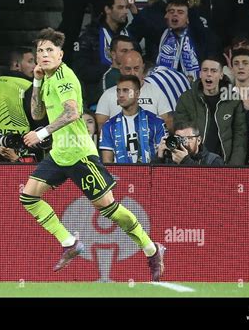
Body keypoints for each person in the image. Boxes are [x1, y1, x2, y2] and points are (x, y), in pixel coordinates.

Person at [19, 27, 165, 281]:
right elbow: (36, 113)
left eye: (49, 50)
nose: (43, 54)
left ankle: (152, 249)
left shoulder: (64, 78)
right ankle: (69, 242)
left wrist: (41, 134)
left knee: (107, 208)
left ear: (61, 55)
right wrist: (37, 81)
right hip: (59, 154)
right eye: (40, 50)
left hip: (80, 154)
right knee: (28, 197)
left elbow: (72, 113)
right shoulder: (48, 78)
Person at [175, 56, 247, 165]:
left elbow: (240, 138)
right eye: (205, 70)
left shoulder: (233, 100)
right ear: (200, 74)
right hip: (193, 164)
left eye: (214, 71)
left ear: (221, 75)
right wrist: (188, 162)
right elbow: (180, 133)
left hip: (224, 164)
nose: (209, 74)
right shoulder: (187, 99)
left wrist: (233, 168)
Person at [100, 75, 166, 163]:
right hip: (120, 176)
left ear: (137, 94)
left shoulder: (156, 122)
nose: (121, 95)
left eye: (126, 91)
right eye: (118, 91)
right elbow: (107, 161)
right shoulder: (108, 126)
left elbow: (163, 157)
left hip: (151, 175)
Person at [154, 121, 224, 165]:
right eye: (178, 138)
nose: (183, 143)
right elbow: (151, 182)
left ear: (198, 140)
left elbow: (213, 185)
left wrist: (185, 161)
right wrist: (160, 157)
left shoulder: (213, 160)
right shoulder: (169, 158)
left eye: (187, 138)